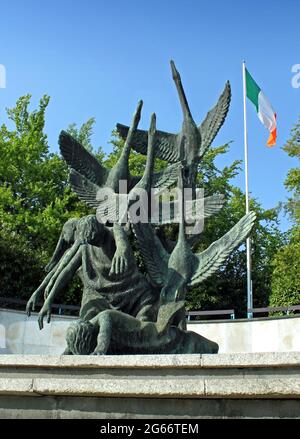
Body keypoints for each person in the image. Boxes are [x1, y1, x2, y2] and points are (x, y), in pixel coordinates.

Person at [64, 301, 219, 355]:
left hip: (148, 334)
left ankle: (211, 347)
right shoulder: (85, 328)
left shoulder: (104, 317)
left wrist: (99, 350)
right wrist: (66, 354)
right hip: (137, 342)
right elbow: (74, 345)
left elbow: (102, 341)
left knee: (177, 340)